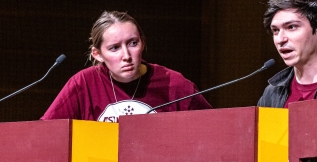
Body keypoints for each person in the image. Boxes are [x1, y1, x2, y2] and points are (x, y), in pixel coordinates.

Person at [42, 11, 212, 122]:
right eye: (114, 48)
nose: (126, 56)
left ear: (143, 43)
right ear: (97, 54)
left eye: (132, 43)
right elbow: (46, 132)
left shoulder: (174, 84)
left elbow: (213, 127)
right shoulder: (83, 83)